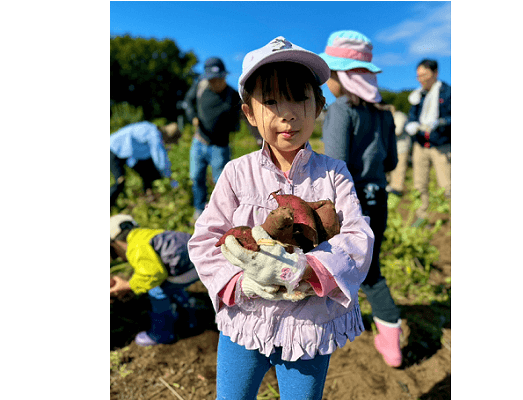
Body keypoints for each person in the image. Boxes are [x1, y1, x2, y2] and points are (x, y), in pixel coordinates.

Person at [187, 36, 375, 399]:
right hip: (246, 321)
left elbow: (357, 237)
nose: (286, 113)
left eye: (299, 98)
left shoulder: (333, 174)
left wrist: (308, 270)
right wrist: (242, 284)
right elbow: (204, 239)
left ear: (319, 105)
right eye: (270, 101)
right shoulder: (236, 173)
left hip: (309, 326)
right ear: (249, 114)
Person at [319, 30, 403, 367]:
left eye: (330, 75)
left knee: (344, 265)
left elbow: (336, 163)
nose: (327, 83)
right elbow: (393, 162)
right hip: (378, 198)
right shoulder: (384, 113)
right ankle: (389, 338)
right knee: (371, 265)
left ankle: (335, 325)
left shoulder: (341, 110)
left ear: (342, 76)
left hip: (350, 203)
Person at [110, 214, 200, 346]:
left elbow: (154, 274)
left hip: (186, 267)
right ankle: (189, 315)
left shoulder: (135, 246)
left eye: (114, 252)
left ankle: (162, 334)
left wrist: (129, 285)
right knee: (171, 286)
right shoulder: (145, 234)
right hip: (197, 258)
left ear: (116, 243)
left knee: (156, 290)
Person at [181, 57, 242, 223]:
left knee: (221, 181)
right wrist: (193, 116)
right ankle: (199, 209)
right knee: (196, 177)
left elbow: (240, 119)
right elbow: (187, 102)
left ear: (224, 77)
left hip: (220, 146)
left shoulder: (232, 96)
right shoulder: (200, 88)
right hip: (199, 141)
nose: (215, 83)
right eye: (212, 80)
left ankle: (221, 214)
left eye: (218, 79)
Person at [404, 59, 451, 223]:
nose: (421, 79)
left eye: (424, 75)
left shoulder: (447, 92)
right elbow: (412, 116)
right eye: (418, 76)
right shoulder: (418, 95)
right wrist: (411, 124)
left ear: (435, 73)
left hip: (441, 145)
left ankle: (450, 216)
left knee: (447, 184)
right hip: (420, 144)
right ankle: (422, 216)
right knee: (419, 183)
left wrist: (442, 122)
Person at [110, 121, 180, 207]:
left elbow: (143, 157)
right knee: (120, 181)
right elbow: (159, 157)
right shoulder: (154, 134)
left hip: (125, 153)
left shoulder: (151, 128)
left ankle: (149, 197)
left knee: (148, 171)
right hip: (113, 149)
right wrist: (170, 178)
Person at [385, 105, 410, 196]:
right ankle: (391, 187)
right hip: (391, 148)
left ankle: (397, 190)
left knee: (399, 168)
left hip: (401, 147)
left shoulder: (399, 116)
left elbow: (397, 131)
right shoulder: (387, 118)